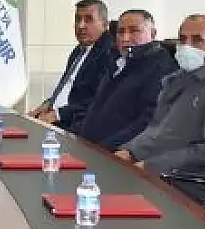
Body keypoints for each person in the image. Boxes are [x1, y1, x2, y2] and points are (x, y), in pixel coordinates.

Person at [116, 14, 205, 202]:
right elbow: (157, 132)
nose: (187, 46)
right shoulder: (177, 80)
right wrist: (129, 152)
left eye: (197, 40)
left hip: (183, 183)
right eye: (182, 39)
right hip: (150, 171)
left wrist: (151, 165)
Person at [73, 9, 178, 150]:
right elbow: (96, 108)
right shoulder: (118, 61)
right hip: (88, 146)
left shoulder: (160, 68)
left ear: (153, 34)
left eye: (134, 31)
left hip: (116, 152)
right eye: (121, 32)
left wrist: (106, 148)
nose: (125, 38)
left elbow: (147, 122)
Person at [30, 0, 115, 129]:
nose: (81, 25)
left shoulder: (109, 53)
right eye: (78, 19)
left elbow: (98, 99)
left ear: (105, 25)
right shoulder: (79, 50)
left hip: (76, 124)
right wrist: (47, 104)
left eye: (88, 20)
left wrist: (57, 115)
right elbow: (66, 89)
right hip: (55, 118)